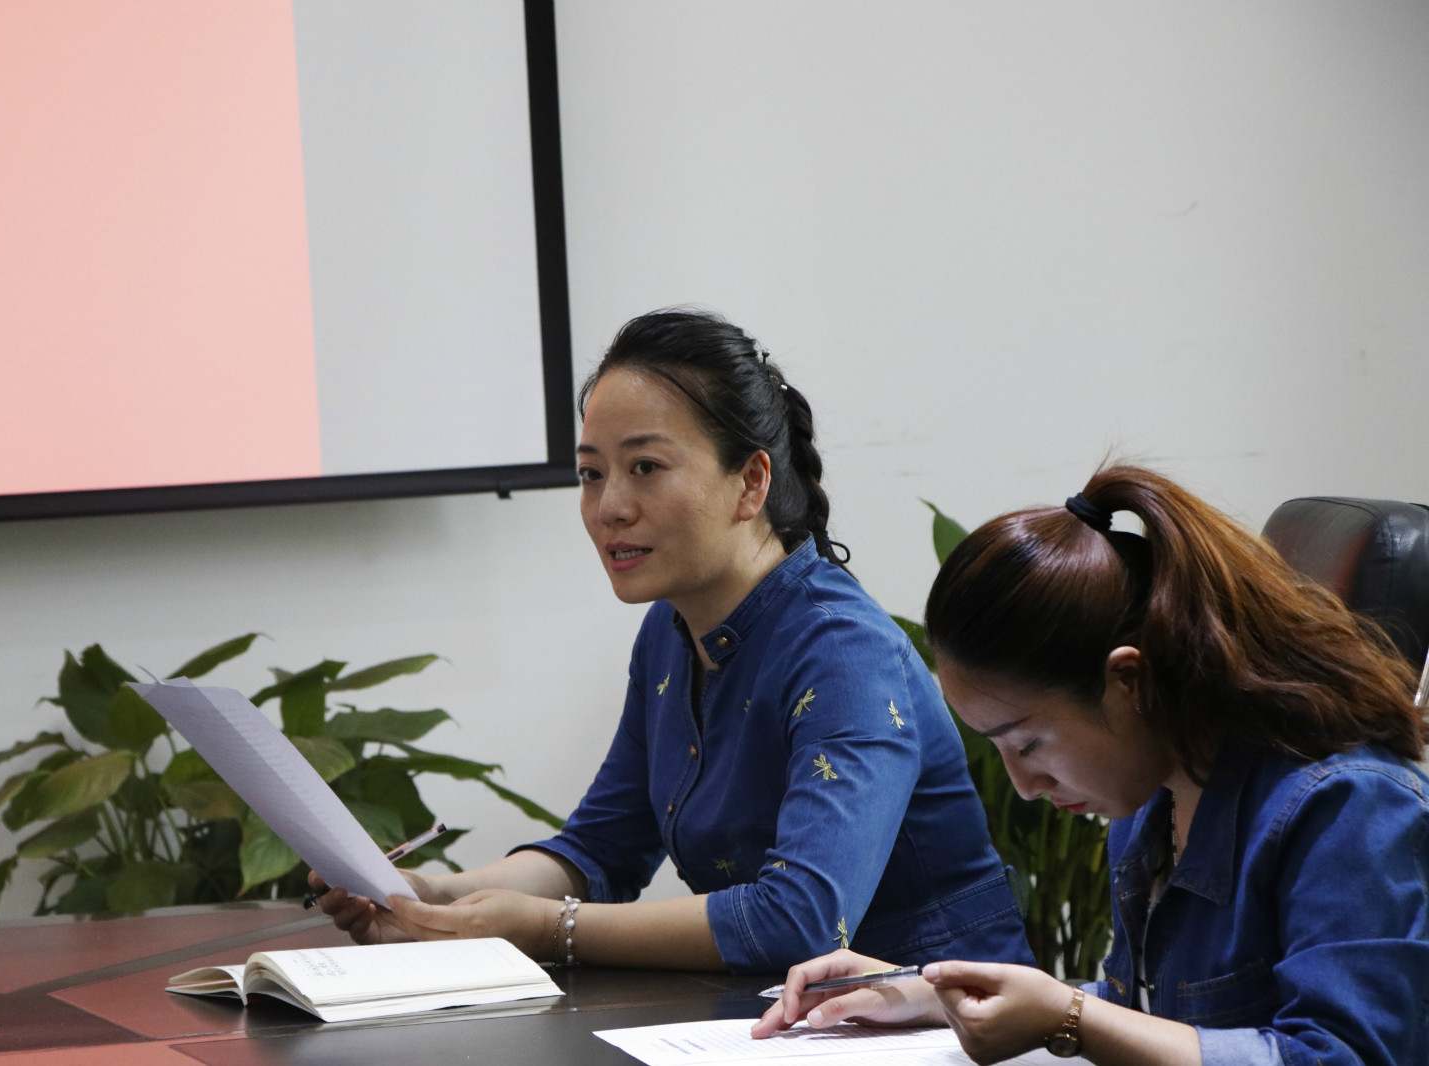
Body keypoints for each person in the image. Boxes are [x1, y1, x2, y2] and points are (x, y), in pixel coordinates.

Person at [310, 309, 1032, 973]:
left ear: (751, 482)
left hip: (946, 1035)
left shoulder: (845, 651)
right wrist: (433, 894)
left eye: (645, 468)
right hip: (786, 1030)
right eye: (591, 474)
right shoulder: (669, 632)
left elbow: (801, 919)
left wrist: (541, 928)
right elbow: (601, 849)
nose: (609, 508)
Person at [752, 463, 1429, 1064]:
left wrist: (1069, 1018)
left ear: (1128, 683)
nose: (1022, 786)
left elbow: (1340, 1054)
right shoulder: (1155, 798)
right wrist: (926, 993)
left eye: (1029, 743)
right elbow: (1150, 1007)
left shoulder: (1350, 806)